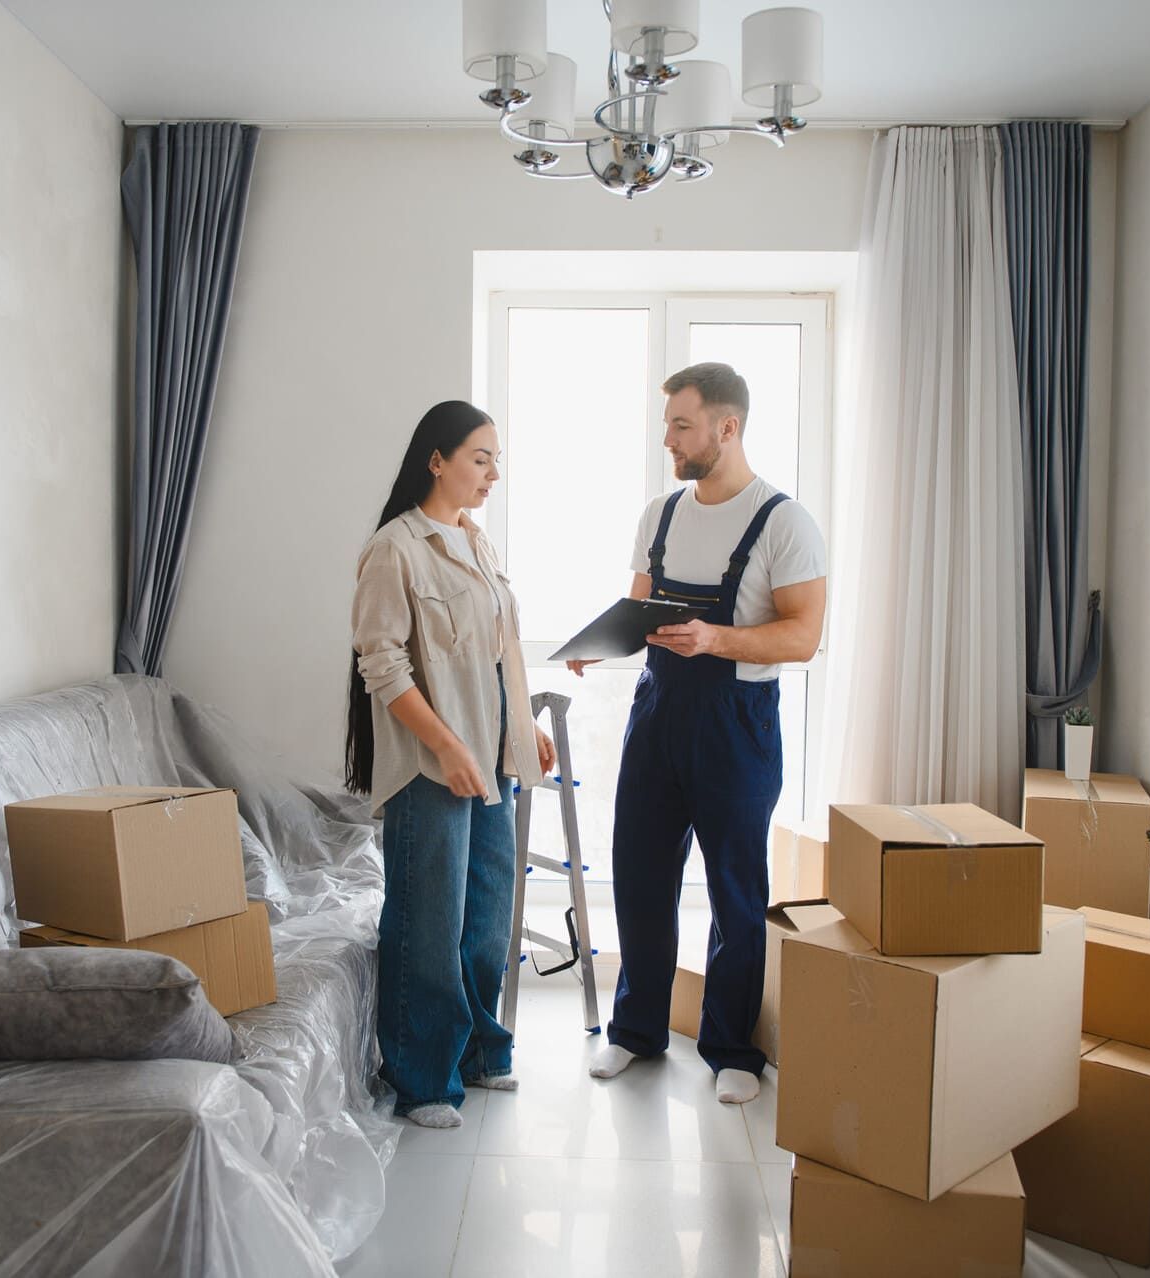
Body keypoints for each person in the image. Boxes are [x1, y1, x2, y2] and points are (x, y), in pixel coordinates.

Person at [573, 362, 827, 1105]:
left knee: (734, 890)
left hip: (736, 724)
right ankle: (635, 1030)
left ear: (727, 426)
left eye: (681, 425)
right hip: (658, 713)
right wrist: (601, 642)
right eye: (668, 425)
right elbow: (639, 608)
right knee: (640, 874)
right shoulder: (660, 514)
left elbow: (803, 636)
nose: (669, 441)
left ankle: (731, 1049)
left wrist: (717, 640)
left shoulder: (783, 521)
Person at [346, 399, 556, 1129]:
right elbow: (382, 665)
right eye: (480, 458)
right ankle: (422, 1078)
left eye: (497, 461)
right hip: (433, 763)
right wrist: (446, 745)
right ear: (436, 460)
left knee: (487, 917)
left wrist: (523, 726)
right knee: (428, 923)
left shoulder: (475, 541)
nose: (493, 474)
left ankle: (476, 1052)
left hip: (490, 755)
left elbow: (494, 653)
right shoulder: (395, 549)